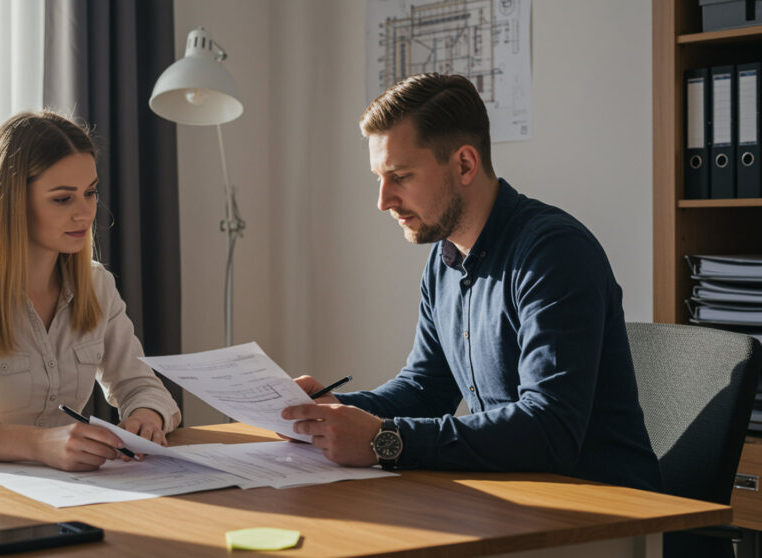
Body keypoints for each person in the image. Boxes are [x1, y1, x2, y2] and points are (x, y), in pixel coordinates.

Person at [282, 74, 661, 491]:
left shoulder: (554, 253)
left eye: (401, 176)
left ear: (464, 164)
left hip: (608, 514)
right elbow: (425, 389)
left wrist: (383, 441)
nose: (384, 200)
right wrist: (331, 412)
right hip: (512, 498)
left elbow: (549, 430)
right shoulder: (444, 259)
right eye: (379, 177)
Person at [0, 110, 181, 472]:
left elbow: (140, 385)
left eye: (90, 193)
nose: (85, 213)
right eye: (63, 199)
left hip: (78, 491)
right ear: (13, 201)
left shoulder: (96, 285)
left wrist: (147, 416)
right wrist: (40, 444)